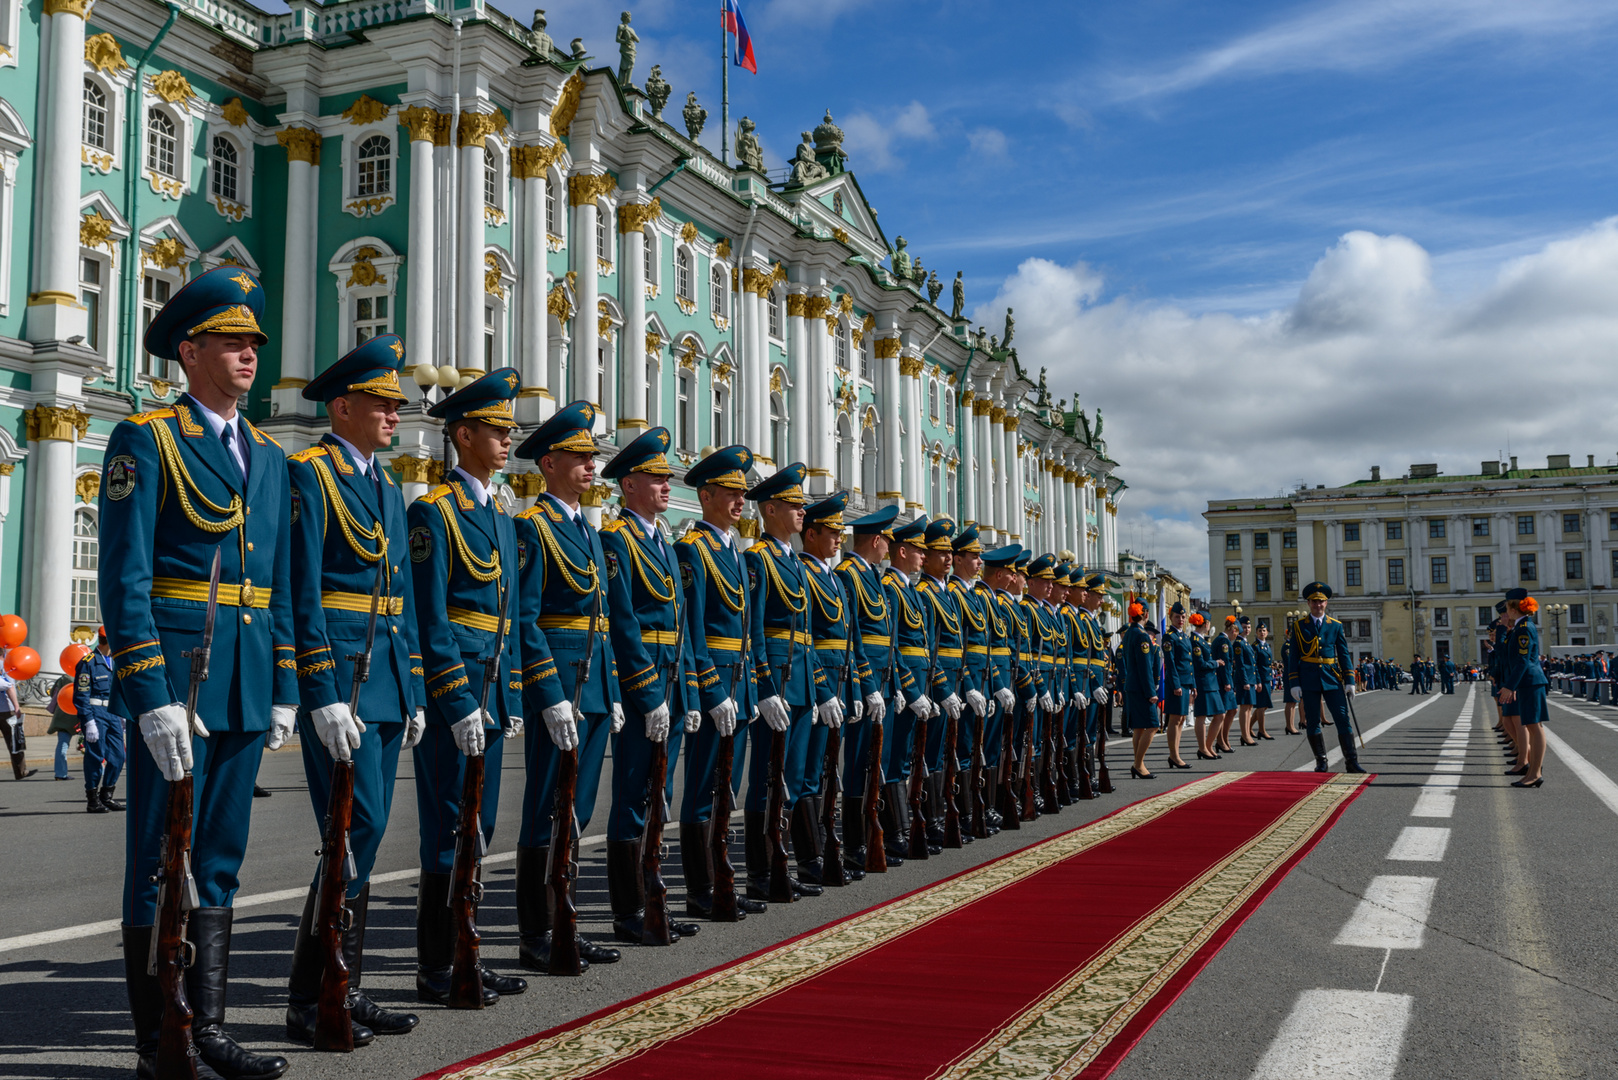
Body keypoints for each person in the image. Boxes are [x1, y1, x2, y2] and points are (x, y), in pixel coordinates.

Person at [101, 265, 295, 1080]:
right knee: (159, 855)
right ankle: (160, 1040)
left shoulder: (273, 458)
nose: (249, 353)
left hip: (245, 680)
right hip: (180, 680)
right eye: (230, 340)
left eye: (253, 341)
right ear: (190, 349)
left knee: (218, 858)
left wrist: (285, 685)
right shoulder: (147, 439)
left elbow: (279, 583)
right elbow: (127, 579)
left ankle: (204, 1024)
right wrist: (148, 694)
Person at [283, 335, 424, 1043]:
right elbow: (300, 587)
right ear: (343, 407)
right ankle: (311, 994)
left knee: (363, 833)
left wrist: (418, 687)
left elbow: (402, 594)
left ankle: (345, 980)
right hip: (342, 676)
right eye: (383, 403)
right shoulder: (309, 474)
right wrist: (318, 686)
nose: (395, 415)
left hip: (388, 679)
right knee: (350, 829)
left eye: (397, 406)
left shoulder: (383, 484)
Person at [408, 368, 531, 1002]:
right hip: (456, 693)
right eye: (497, 429)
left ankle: (467, 950)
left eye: (510, 429)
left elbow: (505, 616)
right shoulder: (435, 511)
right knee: (451, 822)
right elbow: (432, 618)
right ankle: (437, 964)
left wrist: (506, 696)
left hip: (490, 691)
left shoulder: (504, 519)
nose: (508, 439)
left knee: (478, 823)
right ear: (463, 434)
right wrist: (457, 700)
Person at [511, 400, 624, 971]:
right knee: (546, 806)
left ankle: (566, 921)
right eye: (579, 458)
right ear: (549, 463)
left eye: (593, 457)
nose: (591, 467)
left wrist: (614, 690)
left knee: (577, 808)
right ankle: (536, 930)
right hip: (560, 685)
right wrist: (549, 693)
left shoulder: (586, 528)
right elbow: (525, 618)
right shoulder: (533, 528)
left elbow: (603, 619)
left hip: (595, 683)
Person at [598, 427, 705, 942]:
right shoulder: (616, 541)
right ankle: (628, 909)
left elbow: (680, 621)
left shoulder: (664, 540)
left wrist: (686, 688)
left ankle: (653, 893)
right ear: (629, 485)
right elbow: (622, 622)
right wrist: (648, 692)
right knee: (634, 795)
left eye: (667, 478)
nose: (667, 486)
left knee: (658, 793)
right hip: (647, 684)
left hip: (673, 683)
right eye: (657, 478)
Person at [674, 446, 766, 918]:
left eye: (743, 494)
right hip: (717, 683)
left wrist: (748, 688)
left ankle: (722, 875)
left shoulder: (735, 551)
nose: (740, 503)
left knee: (727, 785)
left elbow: (748, 631)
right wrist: (710, 689)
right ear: (706, 495)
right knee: (703, 786)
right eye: (731, 494)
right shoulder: (693, 550)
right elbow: (691, 629)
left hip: (741, 682)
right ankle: (700, 887)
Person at [743, 463, 835, 897]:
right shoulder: (758, 560)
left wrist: (819, 689)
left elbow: (808, 636)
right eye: (795, 505)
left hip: (798, 679)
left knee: (794, 778)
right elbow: (754, 630)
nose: (803, 512)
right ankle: (762, 872)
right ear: (771, 509)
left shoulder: (795, 564)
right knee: (768, 779)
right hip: (776, 681)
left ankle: (784, 862)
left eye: (802, 505)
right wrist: (763, 689)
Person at [800, 492, 877, 876]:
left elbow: (853, 640)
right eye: (831, 532)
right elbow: (806, 638)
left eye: (840, 532)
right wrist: (823, 690)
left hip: (843, 682)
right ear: (810, 535)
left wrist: (863, 687)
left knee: (830, 770)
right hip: (821, 684)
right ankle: (812, 858)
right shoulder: (806, 572)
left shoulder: (835, 579)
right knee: (812, 771)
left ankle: (829, 848)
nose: (838, 539)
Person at [835, 505, 904, 863]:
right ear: (876, 540)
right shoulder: (849, 574)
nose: (888, 549)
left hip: (884, 678)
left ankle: (873, 836)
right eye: (886, 542)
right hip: (867, 682)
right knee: (860, 760)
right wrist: (867, 683)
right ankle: (856, 844)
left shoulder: (871, 575)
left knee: (879, 759)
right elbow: (855, 634)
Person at [915, 518, 978, 838]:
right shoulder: (925, 592)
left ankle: (943, 816)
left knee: (946, 751)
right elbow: (929, 647)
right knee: (929, 753)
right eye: (940, 552)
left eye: (948, 552)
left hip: (954, 681)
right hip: (937, 682)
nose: (948, 558)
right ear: (924, 556)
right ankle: (928, 820)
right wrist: (938, 688)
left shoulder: (949, 594)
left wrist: (964, 685)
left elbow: (961, 648)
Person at [885, 517, 940, 851]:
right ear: (902, 551)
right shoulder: (892, 589)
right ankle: (894, 833)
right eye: (919, 550)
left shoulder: (910, 590)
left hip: (918, 684)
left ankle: (905, 827)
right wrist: (910, 687)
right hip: (904, 688)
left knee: (906, 758)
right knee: (893, 759)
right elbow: (893, 644)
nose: (924, 555)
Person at [952, 527, 1013, 825]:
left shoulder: (975, 596)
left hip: (984, 681)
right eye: (974, 557)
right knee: (964, 748)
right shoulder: (955, 594)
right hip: (966, 684)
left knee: (981, 748)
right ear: (957, 559)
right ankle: (962, 814)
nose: (979, 562)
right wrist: (970, 687)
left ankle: (979, 806)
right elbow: (955, 647)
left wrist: (996, 686)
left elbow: (987, 647)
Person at [1284, 582, 1364, 774]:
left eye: (1321, 602)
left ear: (1326, 603)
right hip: (1308, 678)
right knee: (1312, 721)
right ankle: (1321, 761)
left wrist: (1350, 680)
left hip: (1331, 678)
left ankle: (1351, 762)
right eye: (1314, 602)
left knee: (1342, 719)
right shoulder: (1299, 626)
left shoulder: (1335, 626)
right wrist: (1294, 682)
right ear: (1309, 603)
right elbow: (1293, 656)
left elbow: (1343, 654)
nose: (1317, 605)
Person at [74, 627, 126, 813]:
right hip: (95, 713)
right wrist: (88, 721)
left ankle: (107, 795)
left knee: (119, 756)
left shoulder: (115, 660)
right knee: (95, 756)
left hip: (113, 713)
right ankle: (93, 798)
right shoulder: (88, 662)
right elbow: (81, 694)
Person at [1499, 589, 1548, 788]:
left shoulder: (1524, 628)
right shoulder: (1521, 627)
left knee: (1535, 727)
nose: (1506, 612)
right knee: (1531, 726)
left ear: (1513, 609)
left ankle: (1535, 773)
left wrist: (1510, 686)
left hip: (1530, 681)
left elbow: (1522, 661)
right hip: (1528, 682)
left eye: (1507, 608)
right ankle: (1533, 771)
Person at [1119, 603, 1158, 778]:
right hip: (1142, 688)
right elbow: (1145, 667)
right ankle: (1138, 763)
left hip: (1132, 685)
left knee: (1139, 728)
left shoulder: (1128, 633)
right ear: (1146, 614)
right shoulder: (1142, 636)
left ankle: (1139, 762)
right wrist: (1151, 692)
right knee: (1152, 726)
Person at [1161, 602, 1195, 768]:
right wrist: (1176, 685)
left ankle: (1175, 754)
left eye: (1183, 617)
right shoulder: (1170, 636)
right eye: (1177, 617)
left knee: (1181, 718)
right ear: (1171, 617)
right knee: (1175, 719)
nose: (1181, 619)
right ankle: (1174, 755)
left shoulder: (1185, 637)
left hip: (1186, 682)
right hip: (1177, 683)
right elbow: (1171, 662)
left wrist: (1193, 684)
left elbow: (1190, 662)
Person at [1211, 616, 1236, 754]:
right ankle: (1220, 740)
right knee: (1224, 712)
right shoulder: (1224, 641)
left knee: (1231, 710)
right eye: (1236, 632)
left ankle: (1224, 739)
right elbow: (1224, 663)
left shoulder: (1221, 640)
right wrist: (1227, 682)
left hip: (1223, 680)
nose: (1236, 635)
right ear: (1232, 630)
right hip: (1223, 681)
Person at [46, 672, 75, 781]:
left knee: (62, 745)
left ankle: (60, 773)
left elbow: (53, 692)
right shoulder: (87, 674)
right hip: (81, 714)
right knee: (91, 745)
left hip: (63, 713)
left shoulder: (64, 678)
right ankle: (97, 772)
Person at [1251, 621, 1275, 740]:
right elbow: (1255, 665)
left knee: (1264, 706)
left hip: (1267, 678)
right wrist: (1258, 681)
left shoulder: (1266, 645)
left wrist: (1270, 679)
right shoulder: (1255, 646)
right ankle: (1261, 730)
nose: (1262, 632)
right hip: (1261, 678)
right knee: (1261, 706)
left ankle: (1249, 727)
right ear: (1256, 632)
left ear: (1267, 632)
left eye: (1264, 631)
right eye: (1260, 631)